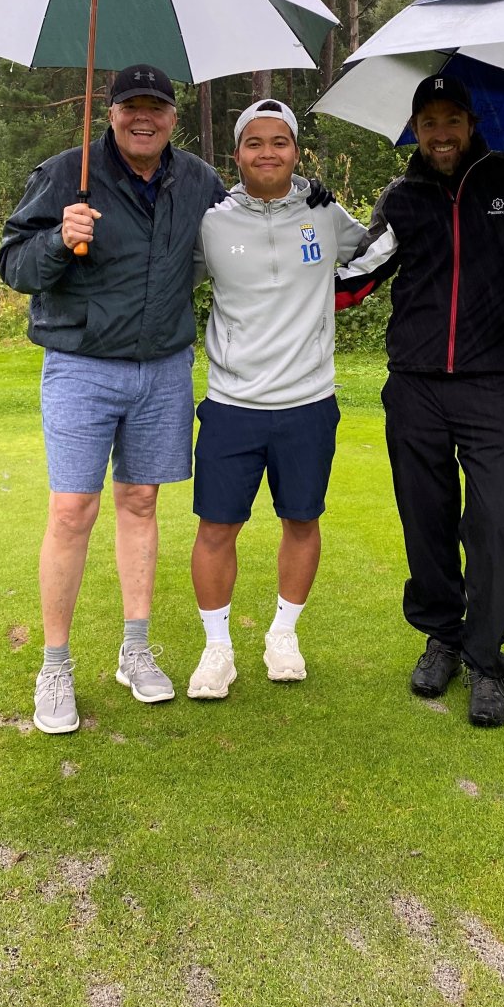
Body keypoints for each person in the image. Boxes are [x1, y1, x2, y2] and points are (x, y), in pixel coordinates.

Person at [335, 73, 504, 728]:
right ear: (416, 130)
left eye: (451, 120)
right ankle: (443, 634)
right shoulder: (403, 197)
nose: (440, 134)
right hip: (413, 385)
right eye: (428, 122)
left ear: (471, 123)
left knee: (494, 524)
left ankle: (488, 657)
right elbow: (356, 275)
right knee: (426, 519)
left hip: (489, 382)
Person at [0, 64, 226, 734]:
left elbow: (244, 225)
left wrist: (308, 196)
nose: (143, 117)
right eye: (131, 106)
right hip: (80, 365)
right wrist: (56, 240)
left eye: (156, 106)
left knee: (142, 500)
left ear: (174, 116)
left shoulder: (199, 180)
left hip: (162, 368)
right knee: (72, 509)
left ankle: (135, 650)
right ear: (112, 112)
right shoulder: (67, 173)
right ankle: (56, 667)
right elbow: (13, 265)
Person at [185, 100, 367, 700]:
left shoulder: (325, 214)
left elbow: (374, 256)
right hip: (232, 403)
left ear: (296, 151)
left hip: (308, 401)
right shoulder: (211, 222)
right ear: (235, 154)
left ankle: (283, 635)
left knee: (302, 520)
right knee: (217, 527)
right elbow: (162, 275)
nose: (268, 153)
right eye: (255, 142)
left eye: (281, 141)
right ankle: (217, 650)